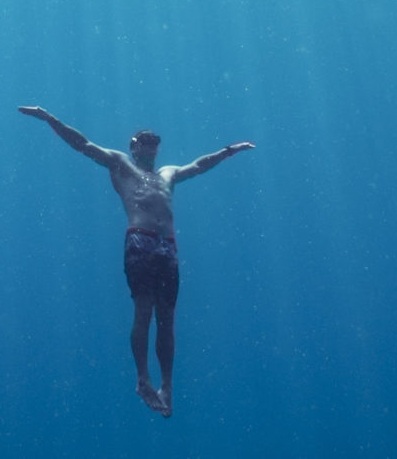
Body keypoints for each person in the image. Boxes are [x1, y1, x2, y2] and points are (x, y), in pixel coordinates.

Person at [19, 106, 255, 416]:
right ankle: (143, 380)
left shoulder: (168, 173)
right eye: (145, 140)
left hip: (167, 247)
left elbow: (199, 165)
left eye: (156, 140)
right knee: (144, 310)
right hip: (140, 241)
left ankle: (167, 385)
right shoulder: (120, 164)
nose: (152, 145)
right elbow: (83, 144)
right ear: (134, 145)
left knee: (167, 318)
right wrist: (48, 118)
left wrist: (229, 151)